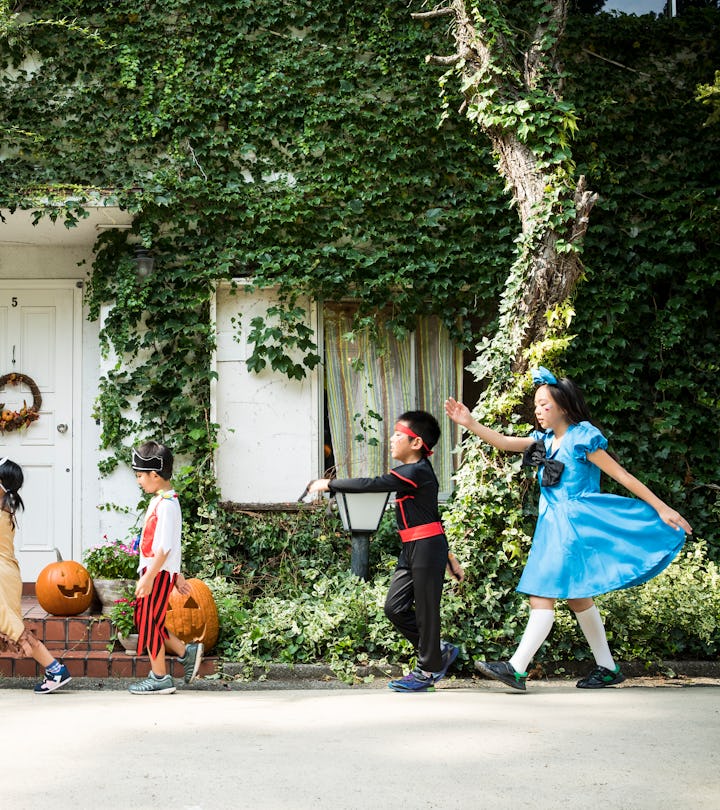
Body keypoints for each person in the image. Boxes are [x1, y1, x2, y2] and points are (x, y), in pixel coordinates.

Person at [445, 367, 692, 690]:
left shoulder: (582, 437)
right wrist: (470, 423)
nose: (538, 410)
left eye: (544, 404)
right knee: (577, 597)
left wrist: (662, 507)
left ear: (563, 407)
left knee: (541, 594)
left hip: (574, 526)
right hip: (552, 526)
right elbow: (505, 442)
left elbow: (623, 477)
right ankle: (607, 667)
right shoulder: (543, 441)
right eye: (536, 405)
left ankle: (516, 668)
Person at [308, 410, 463, 692]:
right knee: (394, 607)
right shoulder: (411, 474)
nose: (391, 439)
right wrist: (451, 557)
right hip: (414, 546)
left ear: (415, 443)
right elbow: (432, 513)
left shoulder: (415, 471)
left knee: (427, 611)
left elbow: (372, 485)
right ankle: (437, 652)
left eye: (398, 435)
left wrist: (328, 483)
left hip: (427, 547)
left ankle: (428, 671)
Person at [129, 441, 203, 695]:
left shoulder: (167, 506)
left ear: (155, 475)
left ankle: (160, 676)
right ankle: (185, 652)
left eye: (140, 475)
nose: (139, 481)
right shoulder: (161, 501)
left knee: (149, 623)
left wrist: (150, 578)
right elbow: (168, 543)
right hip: (159, 572)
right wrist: (177, 574)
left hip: (157, 574)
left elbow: (164, 549)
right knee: (151, 620)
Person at [0, 457, 73, 693]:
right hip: (8, 573)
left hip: (1, 575)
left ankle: (54, 668)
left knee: (13, 626)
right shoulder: (6, 508)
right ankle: (54, 669)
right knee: (12, 623)